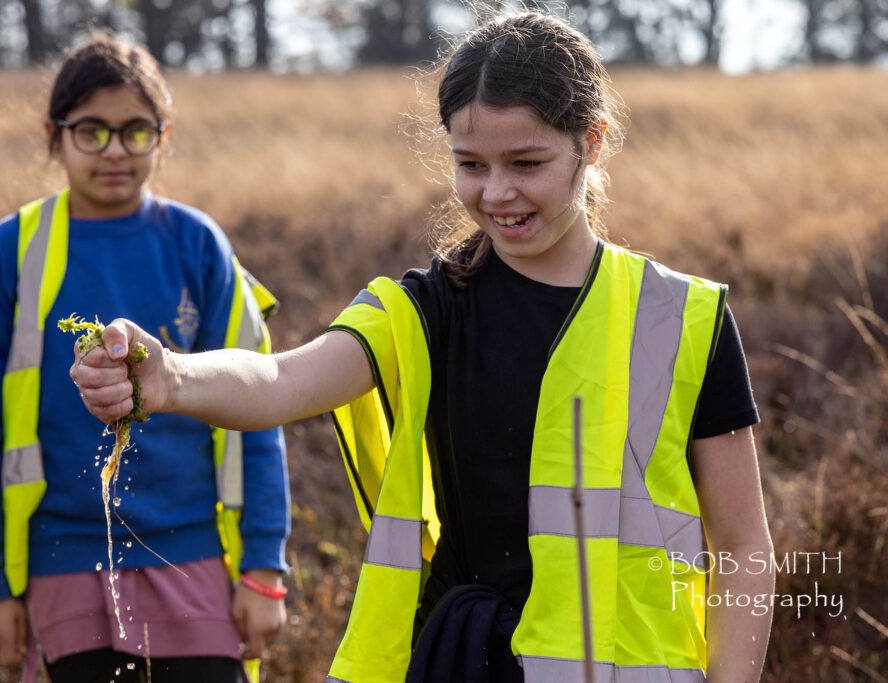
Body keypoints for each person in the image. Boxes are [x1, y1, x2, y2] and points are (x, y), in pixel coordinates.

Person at [71, 10, 775, 683]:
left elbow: (744, 545)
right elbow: (281, 380)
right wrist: (171, 378)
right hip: (461, 661)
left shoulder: (685, 318)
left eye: (525, 163)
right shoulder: (424, 310)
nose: (497, 192)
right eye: (471, 164)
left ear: (590, 143)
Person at [0, 31, 290, 683]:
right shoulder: (13, 252)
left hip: (191, 553)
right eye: (91, 131)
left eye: (135, 131)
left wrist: (264, 566)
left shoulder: (199, 246)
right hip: (62, 562)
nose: (114, 151)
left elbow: (259, 406)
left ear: (163, 134)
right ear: (55, 134)